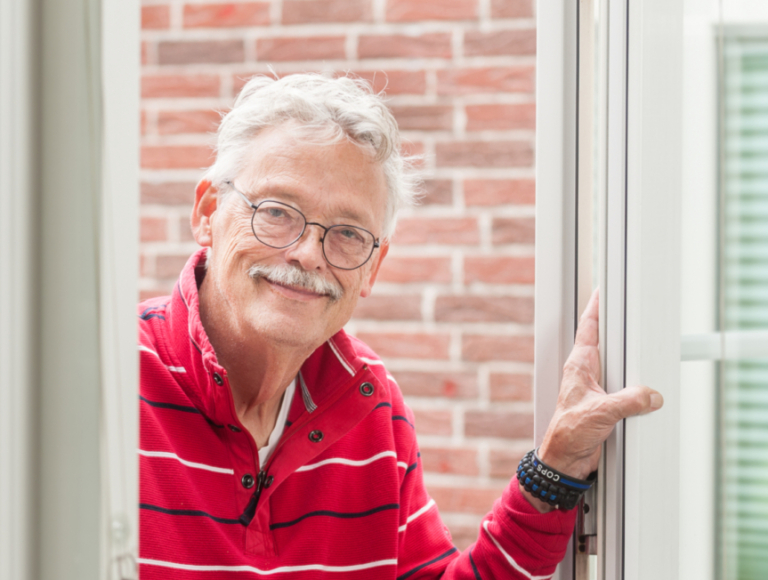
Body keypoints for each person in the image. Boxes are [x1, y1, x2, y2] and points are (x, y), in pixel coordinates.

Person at [138, 73, 663, 579]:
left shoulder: (371, 404)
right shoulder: (112, 378)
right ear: (207, 211)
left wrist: (557, 464)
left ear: (373, 266)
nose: (307, 254)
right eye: (277, 212)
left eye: (346, 232)